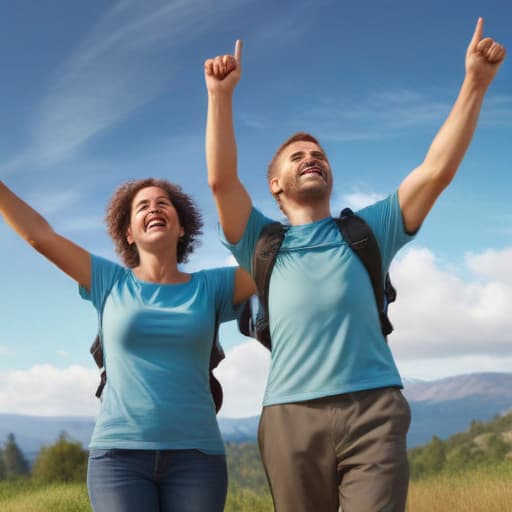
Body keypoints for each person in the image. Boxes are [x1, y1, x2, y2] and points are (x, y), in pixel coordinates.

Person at [204, 18, 506, 512]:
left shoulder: (370, 230)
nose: (312, 158)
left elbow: (436, 171)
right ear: (275, 185)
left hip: (375, 409)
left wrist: (475, 83)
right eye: (297, 155)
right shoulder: (260, 241)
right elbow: (221, 182)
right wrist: (220, 96)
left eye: (319, 154)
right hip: (289, 415)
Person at [0, 177, 255, 512]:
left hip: (198, 457)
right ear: (129, 234)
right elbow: (40, 236)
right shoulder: (109, 282)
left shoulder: (211, 287)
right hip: (119, 458)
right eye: (143, 206)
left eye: (164, 203)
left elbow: (270, 262)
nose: (155, 208)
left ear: (181, 228)